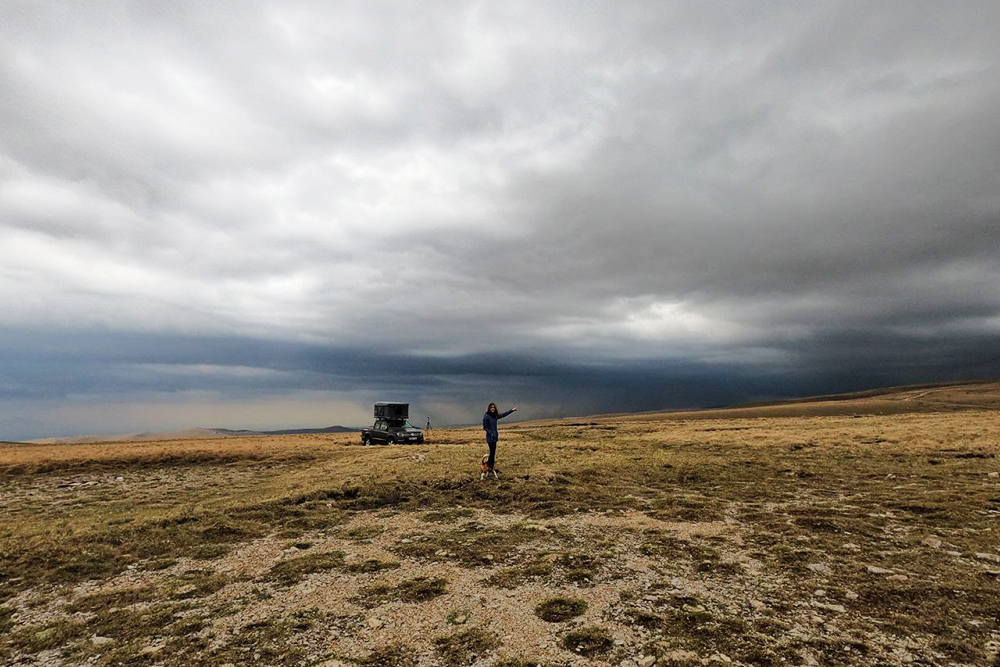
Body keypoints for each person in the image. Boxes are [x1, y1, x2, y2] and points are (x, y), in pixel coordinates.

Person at [482, 402, 516, 479]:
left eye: (493, 407)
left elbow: (503, 414)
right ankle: (489, 468)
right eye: (491, 408)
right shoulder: (486, 416)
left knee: (493, 453)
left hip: (495, 437)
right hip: (490, 438)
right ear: (489, 409)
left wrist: (511, 410)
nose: (492, 409)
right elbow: (485, 427)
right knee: (492, 452)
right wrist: (490, 433)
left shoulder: (495, 416)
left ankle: (491, 467)